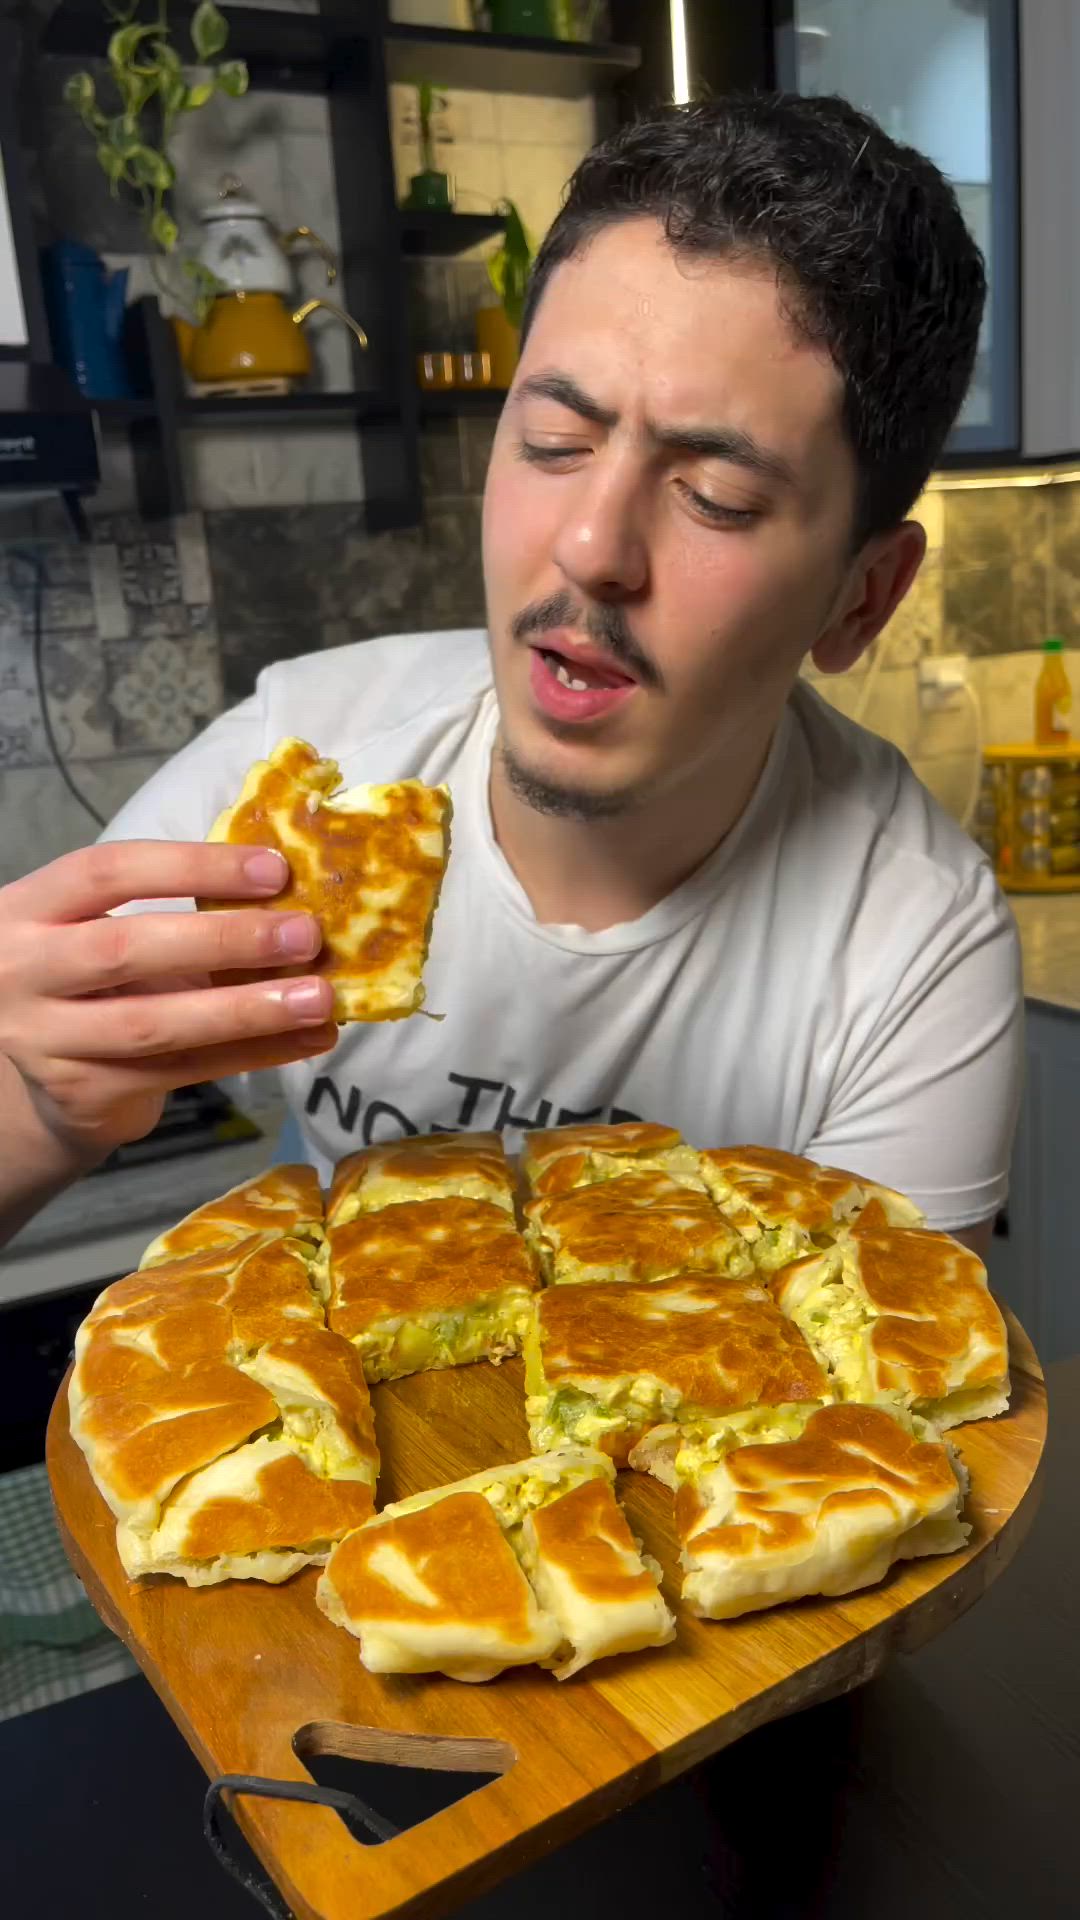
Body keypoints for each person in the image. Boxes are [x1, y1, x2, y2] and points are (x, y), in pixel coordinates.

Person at [0, 93, 1020, 1257]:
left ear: (861, 597)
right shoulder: (311, 775)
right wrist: (35, 1100)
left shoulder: (911, 951)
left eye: (718, 498)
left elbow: (892, 1417)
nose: (590, 547)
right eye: (553, 443)